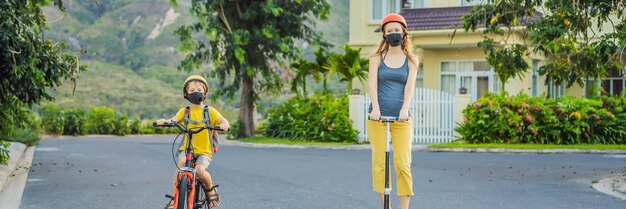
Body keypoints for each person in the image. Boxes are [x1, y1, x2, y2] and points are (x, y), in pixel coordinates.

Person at [367, 13, 419, 209]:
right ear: (384, 35)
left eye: (397, 30)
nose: (393, 34)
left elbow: (410, 87)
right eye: (389, 31)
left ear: (404, 33)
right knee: (380, 164)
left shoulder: (412, 59)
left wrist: (405, 108)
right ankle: (386, 207)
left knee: (403, 164)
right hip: (377, 117)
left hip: (402, 119)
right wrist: (376, 109)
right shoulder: (376, 58)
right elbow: (372, 84)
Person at [156, 75, 230, 209]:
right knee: (181, 163)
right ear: (186, 94)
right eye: (191, 90)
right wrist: (165, 122)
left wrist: (224, 124)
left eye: (199, 89)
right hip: (187, 148)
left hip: (204, 151)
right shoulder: (184, 111)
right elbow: (173, 120)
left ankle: (210, 188)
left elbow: (222, 120)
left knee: (200, 171)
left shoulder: (210, 111)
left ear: (205, 92)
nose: (195, 92)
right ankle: (175, 198)